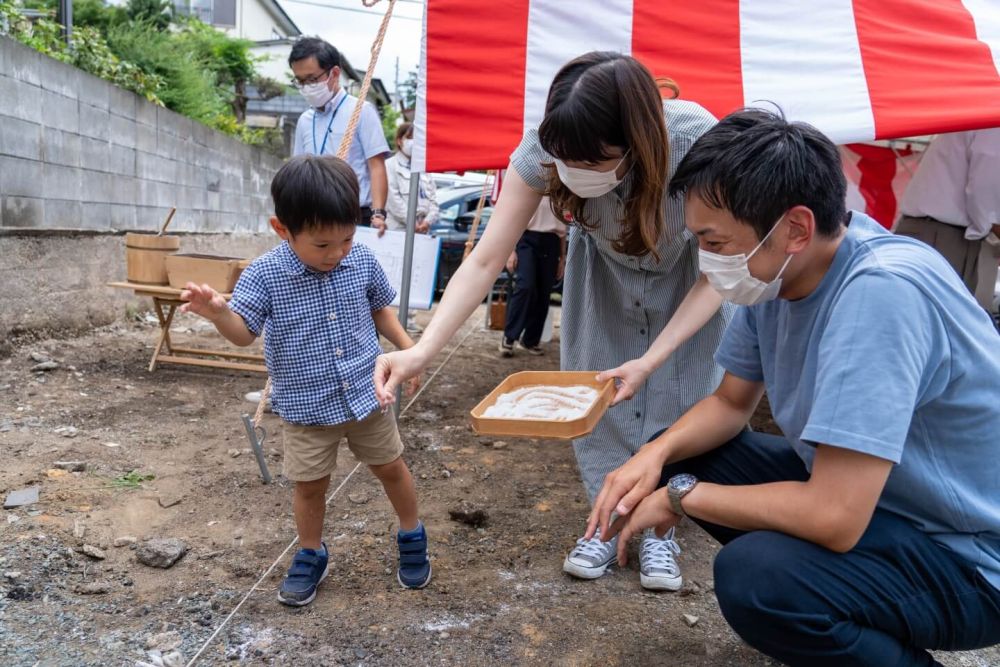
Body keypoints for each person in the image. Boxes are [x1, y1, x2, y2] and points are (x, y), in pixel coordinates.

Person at [588, 109, 1000, 666]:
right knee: (687, 452)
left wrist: (679, 496)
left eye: (716, 241)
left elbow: (834, 515)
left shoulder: (879, 296)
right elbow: (732, 403)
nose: (709, 262)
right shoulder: (783, 275)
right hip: (888, 502)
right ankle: (846, 605)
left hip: (969, 554)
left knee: (758, 579)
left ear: (796, 228)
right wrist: (655, 455)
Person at [375, 52, 732, 591]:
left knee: (677, 395)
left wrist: (654, 357)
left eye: (593, 161)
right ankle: (607, 522)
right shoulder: (544, 144)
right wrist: (422, 349)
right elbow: (486, 257)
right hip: (605, 280)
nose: (575, 172)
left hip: (687, 280)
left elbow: (719, 272)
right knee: (597, 396)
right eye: (566, 160)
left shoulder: (697, 141)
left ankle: (660, 530)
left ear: (636, 141)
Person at [180, 155, 432, 605]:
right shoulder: (265, 274)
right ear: (283, 230)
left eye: (347, 240)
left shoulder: (361, 262)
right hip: (305, 406)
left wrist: (410, 350)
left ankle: (412, 534)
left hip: (365, 394)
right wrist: (219, 312)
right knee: (310, 484)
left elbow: (381, 310)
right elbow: (243, 335)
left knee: (391, 466)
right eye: (321, 245)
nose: (336, 253)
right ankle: (311, 552)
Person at [289, 37, 391, 234]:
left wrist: (378, 214)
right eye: (299, 81)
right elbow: (298, 170)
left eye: (312, 79)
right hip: (314, 214)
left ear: (334, 73)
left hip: (354, 215)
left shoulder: (361, 110)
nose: (306, 87)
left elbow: (376, 165)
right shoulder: (304, 120)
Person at [896, 129, 1000, 300]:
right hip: (941, 236)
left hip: (939, 233)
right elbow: (986, 190)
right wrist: (993, 225)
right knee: (931, 314)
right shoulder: (994, 119)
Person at [500, 198, 566, 357]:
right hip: (527, 238)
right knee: (525, 286)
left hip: (553, 241)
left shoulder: (563, 189)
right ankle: (509, 336)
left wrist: (562, 259)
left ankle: (530, 340)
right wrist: (511, 251)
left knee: (544, 292)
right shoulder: (531, 181)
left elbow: (563, 229)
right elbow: (513, 218)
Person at [385, 122, 438, 233]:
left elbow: (433, 199)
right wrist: (411, 221)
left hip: (422, 230)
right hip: (398, 229)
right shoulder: (390, 165)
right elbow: (393, 200)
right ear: (400, 141)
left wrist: (428, 221)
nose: (414, 142)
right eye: (409, 138)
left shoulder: (423, 168)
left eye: (417, 139)